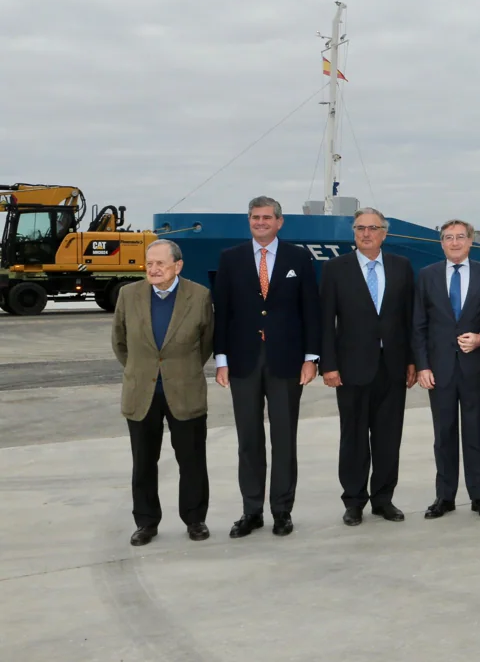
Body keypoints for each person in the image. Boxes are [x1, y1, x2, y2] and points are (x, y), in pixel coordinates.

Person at [213, 196, 321, 539]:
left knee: (284, 438)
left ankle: (282, 510)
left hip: (287, 361)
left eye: (266, 217)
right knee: (248, 439)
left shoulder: (299, 258)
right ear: (249, 221)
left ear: (279, 221)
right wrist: (221, 359)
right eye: (255, 217)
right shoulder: (231, 259)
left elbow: (311, 311)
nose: (260, 222)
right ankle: (251, 510)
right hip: (243, 362)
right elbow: (223, 312)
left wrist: (311, 358)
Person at [112, 239, 213, 546]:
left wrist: (180, 371)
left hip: (184, 391)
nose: (153, 269)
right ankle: (145, 522)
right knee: (143, 462)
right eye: (149, 263)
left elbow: (205, 342)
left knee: (192, 460)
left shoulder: (199, 296)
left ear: (177, 266)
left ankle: (195, 519)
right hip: (141, 393)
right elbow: (120, 342)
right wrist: (142, 371)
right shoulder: (128, 295)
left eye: (160, 264)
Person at [319, 207, 416, 526]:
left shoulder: (401, 267)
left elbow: (409, 319)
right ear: (354, 232)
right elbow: (326, 321)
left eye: (373, 228)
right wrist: (328, 366)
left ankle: (383, 499)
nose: (366, 233)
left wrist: (413, 360)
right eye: (360, 228)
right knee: (354, 437)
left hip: (393, 367)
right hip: (350, 369)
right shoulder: (336, 269)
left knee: (389, 437)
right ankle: (354, 501)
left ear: (384, 234)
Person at [412, 219, 480, 520]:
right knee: (444, 434)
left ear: (471, 241)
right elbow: (419, 324)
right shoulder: (427, 276)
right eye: (448, 237)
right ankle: (444, 497)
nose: (455, 242)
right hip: (440, 370)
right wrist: (422, 365)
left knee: (476, 432)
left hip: (474, 366)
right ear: (442, 243)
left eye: (461, 237)